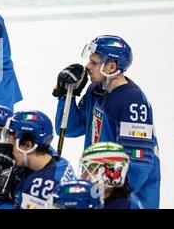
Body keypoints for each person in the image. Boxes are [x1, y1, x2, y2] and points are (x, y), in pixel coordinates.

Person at [53, 34, 160, 208]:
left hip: (127, 198)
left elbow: (138, 164)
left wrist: (109, 197)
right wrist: (67, 94)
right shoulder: (96, 90)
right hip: (101, 188)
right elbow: (70, 128)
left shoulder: (132, 101)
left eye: (94, 62)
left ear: (111, 67)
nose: (87, 66)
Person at [0, 110, 76, 209]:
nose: (8, 150)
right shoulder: (59, 162)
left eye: (11, 145)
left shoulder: (41, 186)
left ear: (28, 145)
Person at [79, 142, 143, 209]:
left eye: (90, 169)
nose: (82, 175)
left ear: (112, 173)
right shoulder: (96, 202)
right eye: (84, 169)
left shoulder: (122, 206)